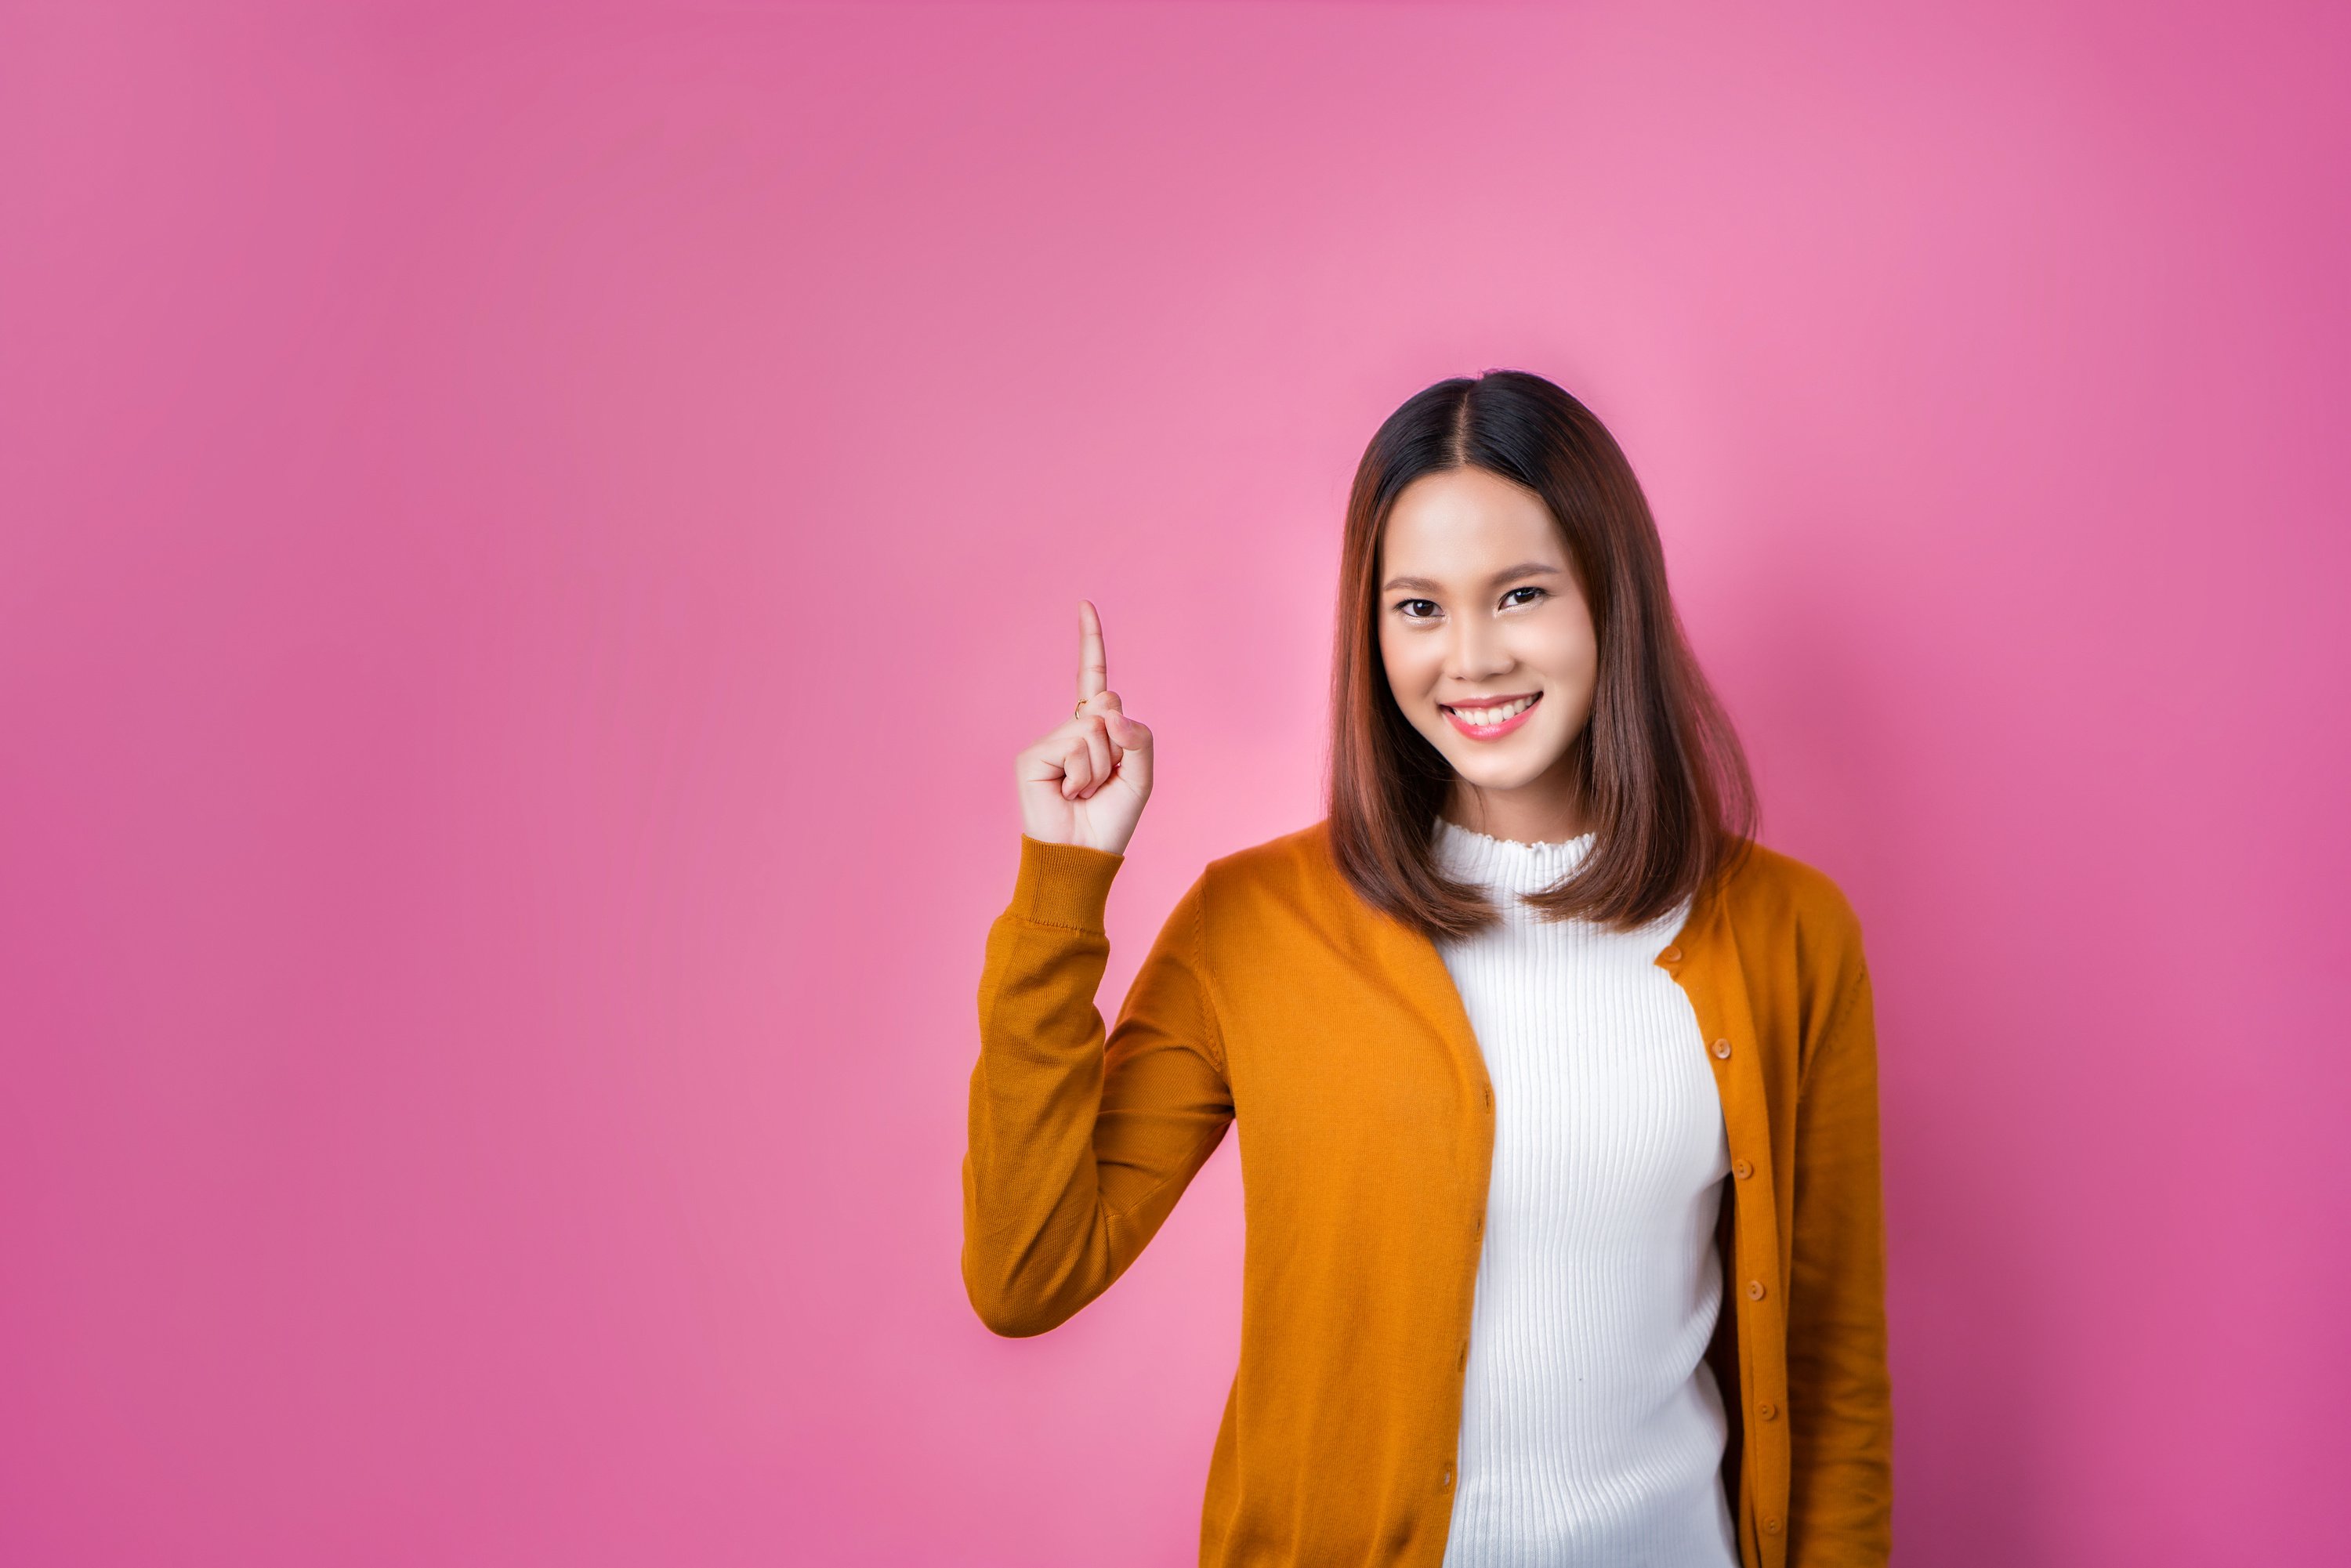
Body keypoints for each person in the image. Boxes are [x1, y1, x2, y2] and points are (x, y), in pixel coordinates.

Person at [962, 369, 1891, 1568]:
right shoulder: (1252, 922)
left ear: (1613, 599)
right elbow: (1026, 1267)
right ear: (1372, 627)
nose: (1472, 658)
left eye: (1520, 594)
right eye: (1418, 607)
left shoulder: (1790, 933)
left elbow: (1830, 1378)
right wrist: (1061, 885)